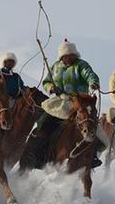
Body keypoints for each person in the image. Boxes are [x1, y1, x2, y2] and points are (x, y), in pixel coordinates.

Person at [20, 38, 102, 168]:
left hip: (79, 102)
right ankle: (37, 155)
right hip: (59, 102)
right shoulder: (56, 66)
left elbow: (89, 74)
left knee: (94, 128)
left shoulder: (81, 65)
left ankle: (92, 156)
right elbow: (47, 81)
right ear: (62, 56)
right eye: (65, 56)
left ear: (74, 55)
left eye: (71, 55)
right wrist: (51, 88)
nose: (68, 58)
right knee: (43, 124)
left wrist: (93, 82)